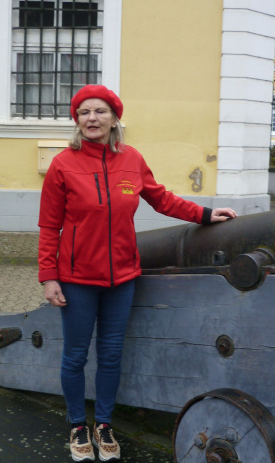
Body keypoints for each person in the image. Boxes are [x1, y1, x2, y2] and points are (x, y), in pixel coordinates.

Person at [38, 84, 237, 462]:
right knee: (76, 355)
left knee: (112, 354)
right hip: (78, 279)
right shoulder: (63, 164)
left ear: (114, 119)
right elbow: (49, 226)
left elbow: (162, 199)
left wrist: (207, 215)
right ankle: (78, 423)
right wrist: (49, 276)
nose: (92, 119)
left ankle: (105, 424)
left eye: (100, 111)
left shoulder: (131, 159)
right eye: (84, 113)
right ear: (76, 120)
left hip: (122, 278)